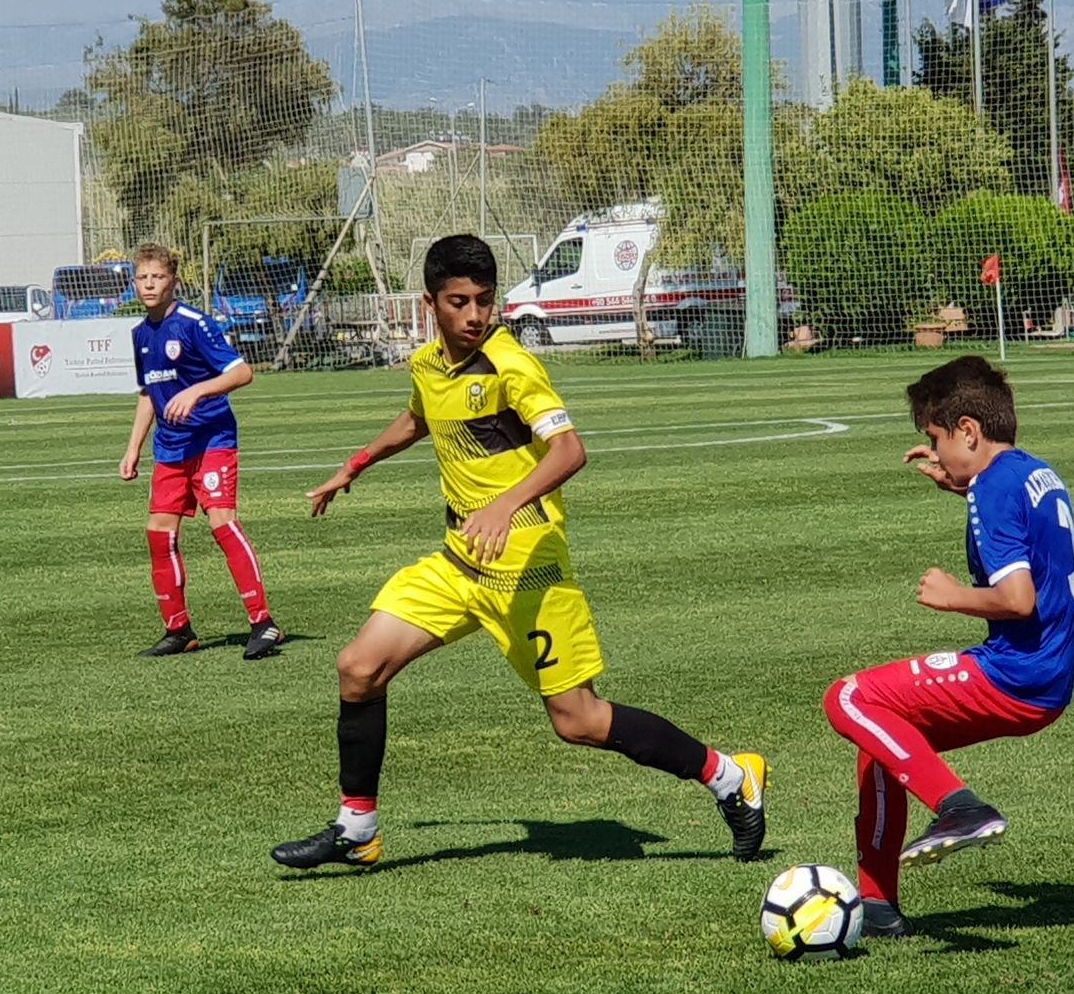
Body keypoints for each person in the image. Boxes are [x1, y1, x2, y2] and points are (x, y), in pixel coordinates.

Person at [270, 234, 767, 870]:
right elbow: (421, 417)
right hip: (458, 564)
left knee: (579, 722)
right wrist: (355, 465)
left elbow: (570, 451)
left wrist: (505, 504)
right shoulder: (428, 364)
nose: (475, 315)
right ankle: (357, 828)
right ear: (431, 304)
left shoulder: (511, 365)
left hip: (529, 570)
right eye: (459, 302)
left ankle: (730, 776)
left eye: (483, 300)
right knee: (359, 669)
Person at [822, 355, 1074, 940]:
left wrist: (954, 596)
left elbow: (1017, 599)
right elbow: (1015, 522)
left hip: (1015, 674)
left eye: (938, 437)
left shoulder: (992, 489)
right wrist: (957, 483)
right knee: (883, 741)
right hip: (1048, 674)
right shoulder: (1031, 472)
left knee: (850, 699)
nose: (936, 451)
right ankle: (879, 906)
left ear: (969, 429)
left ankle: (961, 807)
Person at [119, 243, 282, 660]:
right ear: (134, 282)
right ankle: (179, 630)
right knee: (159, 534)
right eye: (142, 277)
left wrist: (197, 390)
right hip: (170, 448)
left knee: (222, 523)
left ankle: (264, 623)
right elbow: (147, 392)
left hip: (212, 440)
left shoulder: (194, 324)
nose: (149, 284)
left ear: (173, 280)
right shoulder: (140, 334)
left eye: (157, 277)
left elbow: (242, 372)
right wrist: (133, 447)